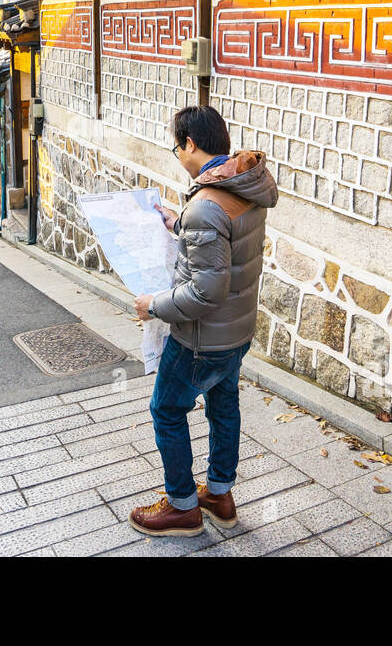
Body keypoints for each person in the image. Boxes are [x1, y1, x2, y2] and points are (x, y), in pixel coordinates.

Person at [131, 105, 278, 537]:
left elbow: (204, 292)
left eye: (177, 147)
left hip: (199, 340)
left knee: (167, 410)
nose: (178, 154)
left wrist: (153, 305)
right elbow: (225, 251)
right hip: (236, 332)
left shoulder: (206, 206)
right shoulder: (244, 187)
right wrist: (180, 224)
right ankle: (218, 494)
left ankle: (181, 507)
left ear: (191, 144)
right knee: (223, 406)